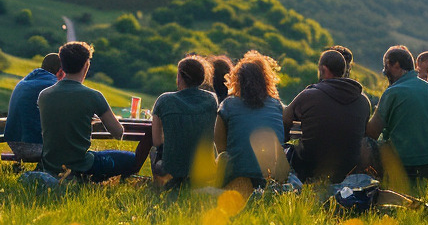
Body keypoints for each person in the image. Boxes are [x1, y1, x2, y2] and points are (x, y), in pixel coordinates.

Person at [37, 41, 139, 181]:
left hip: (50, 165)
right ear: (86, 65)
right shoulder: (93, 96)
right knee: (133, 159)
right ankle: (87, 180)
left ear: (62, 64)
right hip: (82, 164)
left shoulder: (44, 95)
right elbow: (118, 132)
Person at [283, 48, 372, 183]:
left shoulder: (309, 95)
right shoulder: (364, 101)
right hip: (347, 170)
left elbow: (284, 120)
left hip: (309, 168)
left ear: (323, 69)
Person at [366, 45, 428, 184]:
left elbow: (372, 133)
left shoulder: (392, 92)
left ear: (396, 65)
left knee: (363, 144)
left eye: (386, 67)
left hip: (401, 167)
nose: (385, 72)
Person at [215, 51, 287, 189]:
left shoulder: (228, 105)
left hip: (237, 176)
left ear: (237, 80)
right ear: (266, 80)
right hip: (270, 178)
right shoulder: (276, 105)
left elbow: (220, 148)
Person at [148, 55, 219, 186]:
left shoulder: (164, 100)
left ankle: (158, 186)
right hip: (204, 172)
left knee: (154, 152)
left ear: (180, 77)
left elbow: (157, 141)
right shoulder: (211, 99)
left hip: (171, 171)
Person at [4, 53, 62, 162]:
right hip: (37, 146)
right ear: (61, 70)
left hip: (14, 145)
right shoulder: (53, 85)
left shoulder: (24, 82)